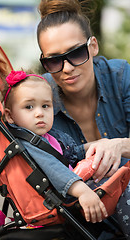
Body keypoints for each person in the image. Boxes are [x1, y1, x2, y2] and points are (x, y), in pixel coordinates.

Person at [36, 0, 130, 237]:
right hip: (83, 219)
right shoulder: (37, 102)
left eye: (76, 53)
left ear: (93, 46)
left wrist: (118, 145)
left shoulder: (121, 77)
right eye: (54, 60)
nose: (67, 68)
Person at [2, 70, 108, 227]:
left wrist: (97, 145)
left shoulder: (48, 137)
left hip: (75, 188)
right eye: (29, 107)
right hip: (66, 197)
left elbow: (69, 153)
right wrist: (83, 192)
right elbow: (54, 169)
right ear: (10, 116)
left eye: (45, 106)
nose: (39, 113)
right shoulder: (27, 144)